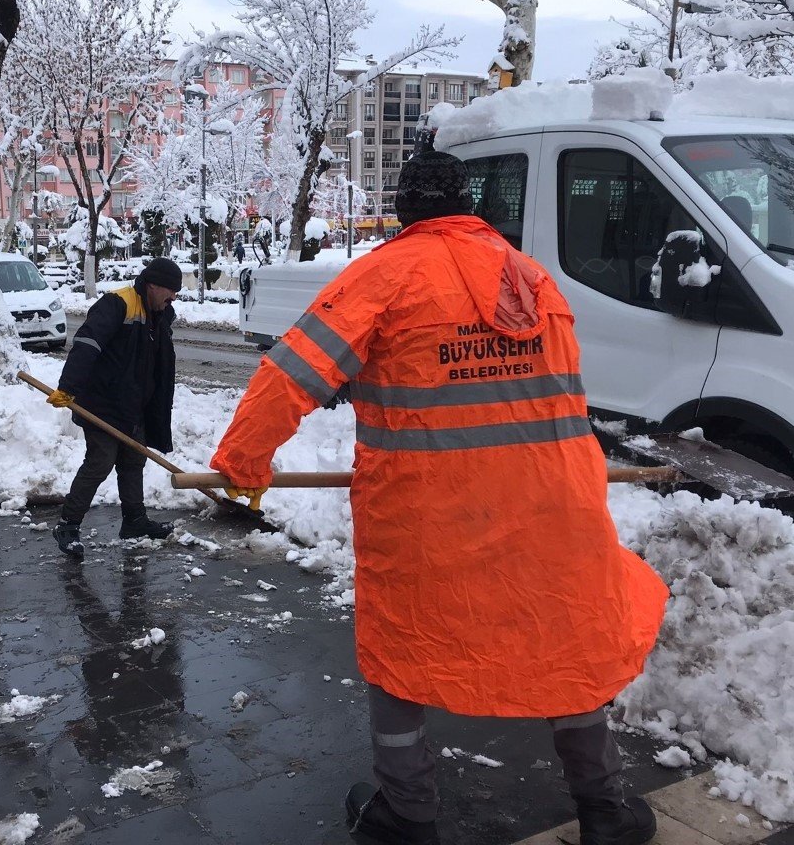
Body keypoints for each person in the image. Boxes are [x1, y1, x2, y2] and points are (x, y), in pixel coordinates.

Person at [210, 151, 669, 845]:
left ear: (404, 208)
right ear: (469, 204)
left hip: (429, 515)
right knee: (565, 644)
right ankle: (605, 809)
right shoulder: (533, 279)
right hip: (554, 504)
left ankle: (409, 815)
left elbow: (290, 375)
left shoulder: (384, 276)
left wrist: (242, 463)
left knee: (403, 654)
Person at [46, 257, 183, 558]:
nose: (174, 297)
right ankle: (68, 525)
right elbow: (87, 344)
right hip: (102, 403)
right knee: (101, 461)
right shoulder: (118, 304)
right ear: (153, 285)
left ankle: (134, 522)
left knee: (134, 462)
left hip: (133, 406)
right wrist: (68, 387)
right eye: (171, 290)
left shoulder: (159, 315)